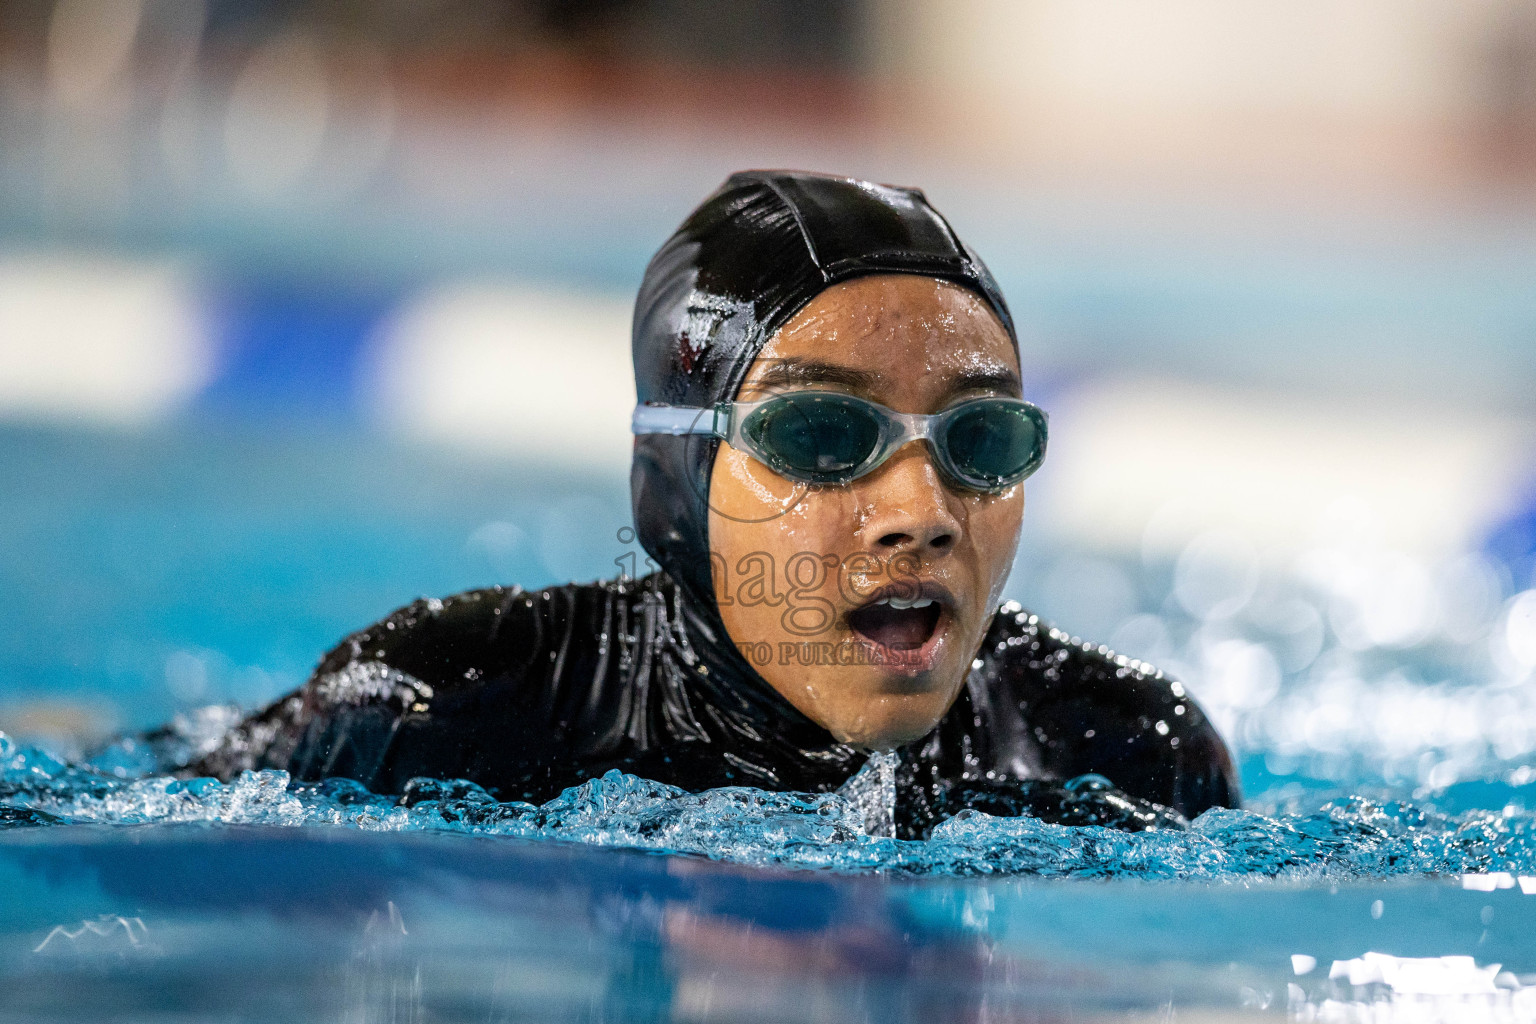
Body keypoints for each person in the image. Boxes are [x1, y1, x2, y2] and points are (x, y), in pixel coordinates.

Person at [183, 170, 1239, 839]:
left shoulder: (1124, 755)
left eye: (980, 441)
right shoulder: (446, 710)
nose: (923, 508)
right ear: (673, 489)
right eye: (824, 436)